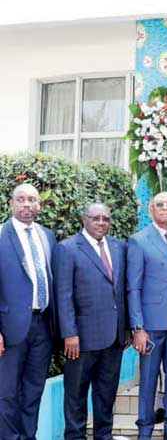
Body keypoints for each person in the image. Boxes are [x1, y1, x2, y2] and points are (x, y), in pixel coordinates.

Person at [54, 202, 127, 440]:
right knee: (76, 394)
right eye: (96, 218)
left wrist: (125, 328)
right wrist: (69, 334)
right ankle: (75, 436)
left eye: (106, 219)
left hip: (114, 337)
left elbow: (122, 290)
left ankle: (103, 436)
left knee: (106, 393)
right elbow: (63, 295)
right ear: (84, 219)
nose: (101, 223)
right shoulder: (68, 248)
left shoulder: (119, 247)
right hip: (81, 338)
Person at [127, 192, 167, 440]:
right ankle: (145, 428)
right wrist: (138, 326)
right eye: (160, 205)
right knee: (149, 379)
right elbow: (133, 286)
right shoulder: (138, 240)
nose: (165, 208)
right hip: (151, 324)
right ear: (150, 208)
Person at [0, 184, 57, 440]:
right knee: (7, 392)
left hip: (43, 325)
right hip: (10, 327)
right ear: (11, 203)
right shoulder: (2, 235)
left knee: (33, 390)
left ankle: (28, 437)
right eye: (21, 199)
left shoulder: (47, 236)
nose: (26, 204)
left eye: (32, 200)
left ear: (39, 205)